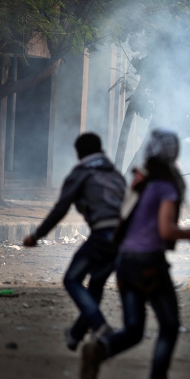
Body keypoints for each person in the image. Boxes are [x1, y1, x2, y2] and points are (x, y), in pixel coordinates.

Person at [79, 129, 190, 379]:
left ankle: (100, 349)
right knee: (169, 326)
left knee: (134, 330)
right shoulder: (166, 186)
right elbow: (165, 229)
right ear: (174, 154)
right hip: (149, 264)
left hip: (125, 262)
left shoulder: (140, 182)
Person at [23, 133, 125, 351]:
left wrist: (36, 235)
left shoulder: (81, 173)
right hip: (123, 238)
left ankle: (99, 325)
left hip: (103, 234)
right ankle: (76, 334)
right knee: (96, 283)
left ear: (79, 152)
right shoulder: (116, 175)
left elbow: (61, 208)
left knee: (72, 279)